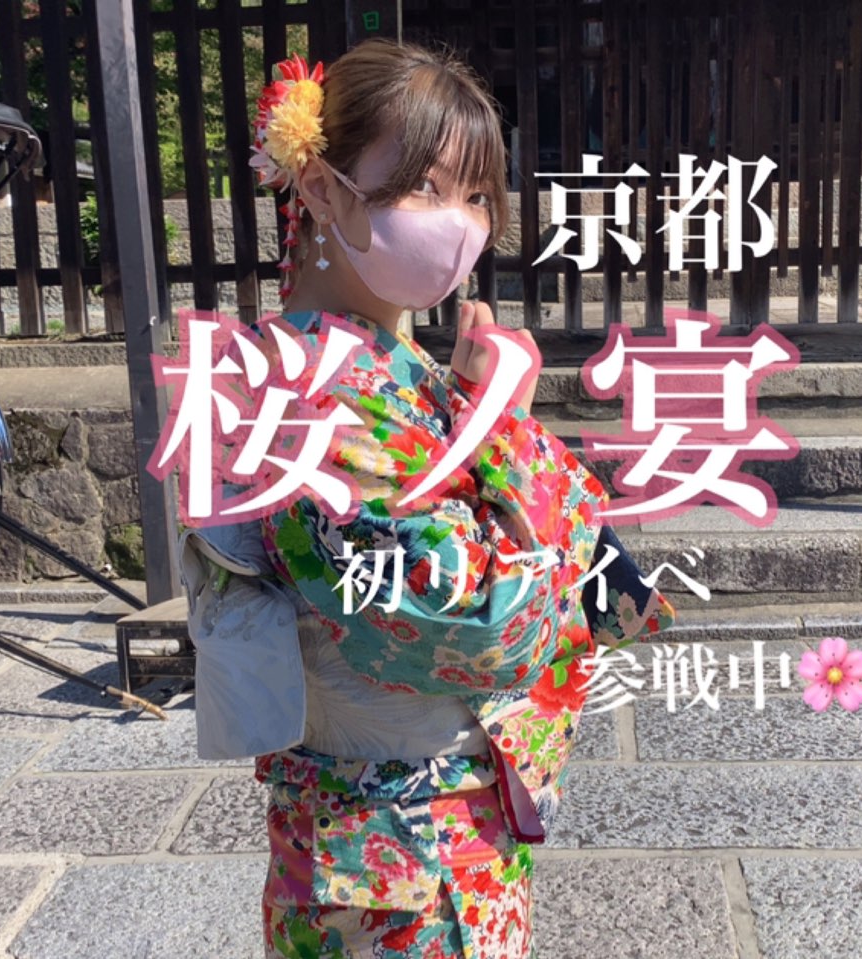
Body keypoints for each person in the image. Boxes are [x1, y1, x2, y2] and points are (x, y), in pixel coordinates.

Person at [224, 38, 675, 959]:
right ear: (320, 189)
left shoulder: (398, 370)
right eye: (425, 188)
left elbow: (597, 573)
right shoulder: (308, 403)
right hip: (395, 867)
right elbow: (483, 625)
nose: (461, 225)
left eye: (476, 196)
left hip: (441, 842)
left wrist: (482, 419)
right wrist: (502, 432)